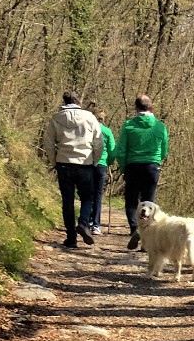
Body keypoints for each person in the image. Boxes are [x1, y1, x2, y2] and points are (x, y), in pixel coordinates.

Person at [42, 91, 103, 248]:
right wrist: (95, 161)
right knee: (87, 198)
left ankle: (71, 237)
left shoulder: (56, 118)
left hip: (64, 163)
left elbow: (48, 144)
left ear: (64, 101)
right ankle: (83, 223)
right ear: (79, 102)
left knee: (67, 201)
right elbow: (98, 143)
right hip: (85, 164)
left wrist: (54, 161)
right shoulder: (90, 118)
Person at [117, 94, 169, 250]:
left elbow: (120, 151)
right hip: (152, 167)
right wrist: (156, 161)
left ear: (136, 108)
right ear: (151, 107)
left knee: (132, 201)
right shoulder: (160, 126)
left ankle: (134, 229)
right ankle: (145, 240)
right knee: (150, 203)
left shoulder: (128, 126)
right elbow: (165, 150)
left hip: (133, 166)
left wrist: (123, 167)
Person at [89, 105, 115, 233]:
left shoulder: (88, 130)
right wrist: (109, 162)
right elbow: (112, 150)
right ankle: (96, 225)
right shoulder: (107, 131)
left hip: (88, 164)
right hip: (102, 165)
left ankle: (86, 220)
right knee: (97, 195)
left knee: (87, 194)